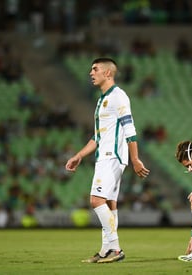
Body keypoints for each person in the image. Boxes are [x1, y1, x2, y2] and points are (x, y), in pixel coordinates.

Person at [65, 57, 150, 263]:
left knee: (96, 200)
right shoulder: (102, 99)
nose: (91, 73)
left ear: (108, 73)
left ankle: (116, 248)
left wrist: (135, 158)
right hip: (104, 156)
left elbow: (130, 129)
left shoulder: (118, 96)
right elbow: (98, 136)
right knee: (110, 204)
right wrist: (79, 155)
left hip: (112, 157)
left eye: (95, 69)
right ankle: (106, 250)